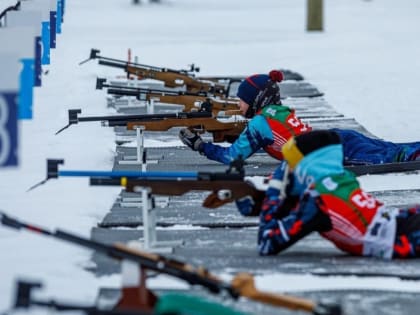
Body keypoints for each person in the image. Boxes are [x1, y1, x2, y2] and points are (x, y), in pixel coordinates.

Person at [178, 70, 420, 165]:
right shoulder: (280, 111)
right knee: (393, 147)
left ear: (256, 99)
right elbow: (276, 140)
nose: (239, 105)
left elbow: (234, 158)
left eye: (242, 99)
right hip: (337, 138)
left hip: (327, 152)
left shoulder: (258, 123)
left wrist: (201, 146)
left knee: (396, 158)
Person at [253, 130, 420, 259]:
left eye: (291, 164)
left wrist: (274, 191)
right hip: (403, 224)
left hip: (404, 239)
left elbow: (268, 243)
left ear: (306, 167)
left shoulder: (318, 201)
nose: (287, 170)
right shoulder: (340, 180)